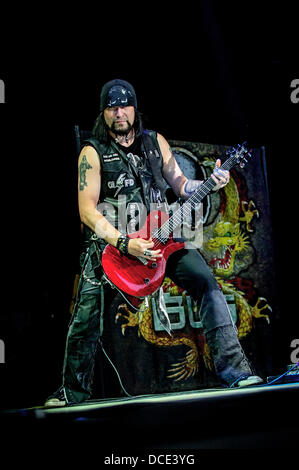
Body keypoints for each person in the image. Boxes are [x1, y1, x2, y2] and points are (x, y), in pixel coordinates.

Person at [45, 79, 262, 407]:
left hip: (164, 237)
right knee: (87, 313)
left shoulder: (154, 142)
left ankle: (236, 371)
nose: (119, 113)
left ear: (134, 108)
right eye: (112, 107)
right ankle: (70, 392)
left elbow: (183, 185)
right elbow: (87, 210)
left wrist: (212, 183)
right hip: (113, 247)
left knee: (205, 282)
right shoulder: (92, 152)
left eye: (124, 106)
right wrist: (123, 243)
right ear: (103, 113)